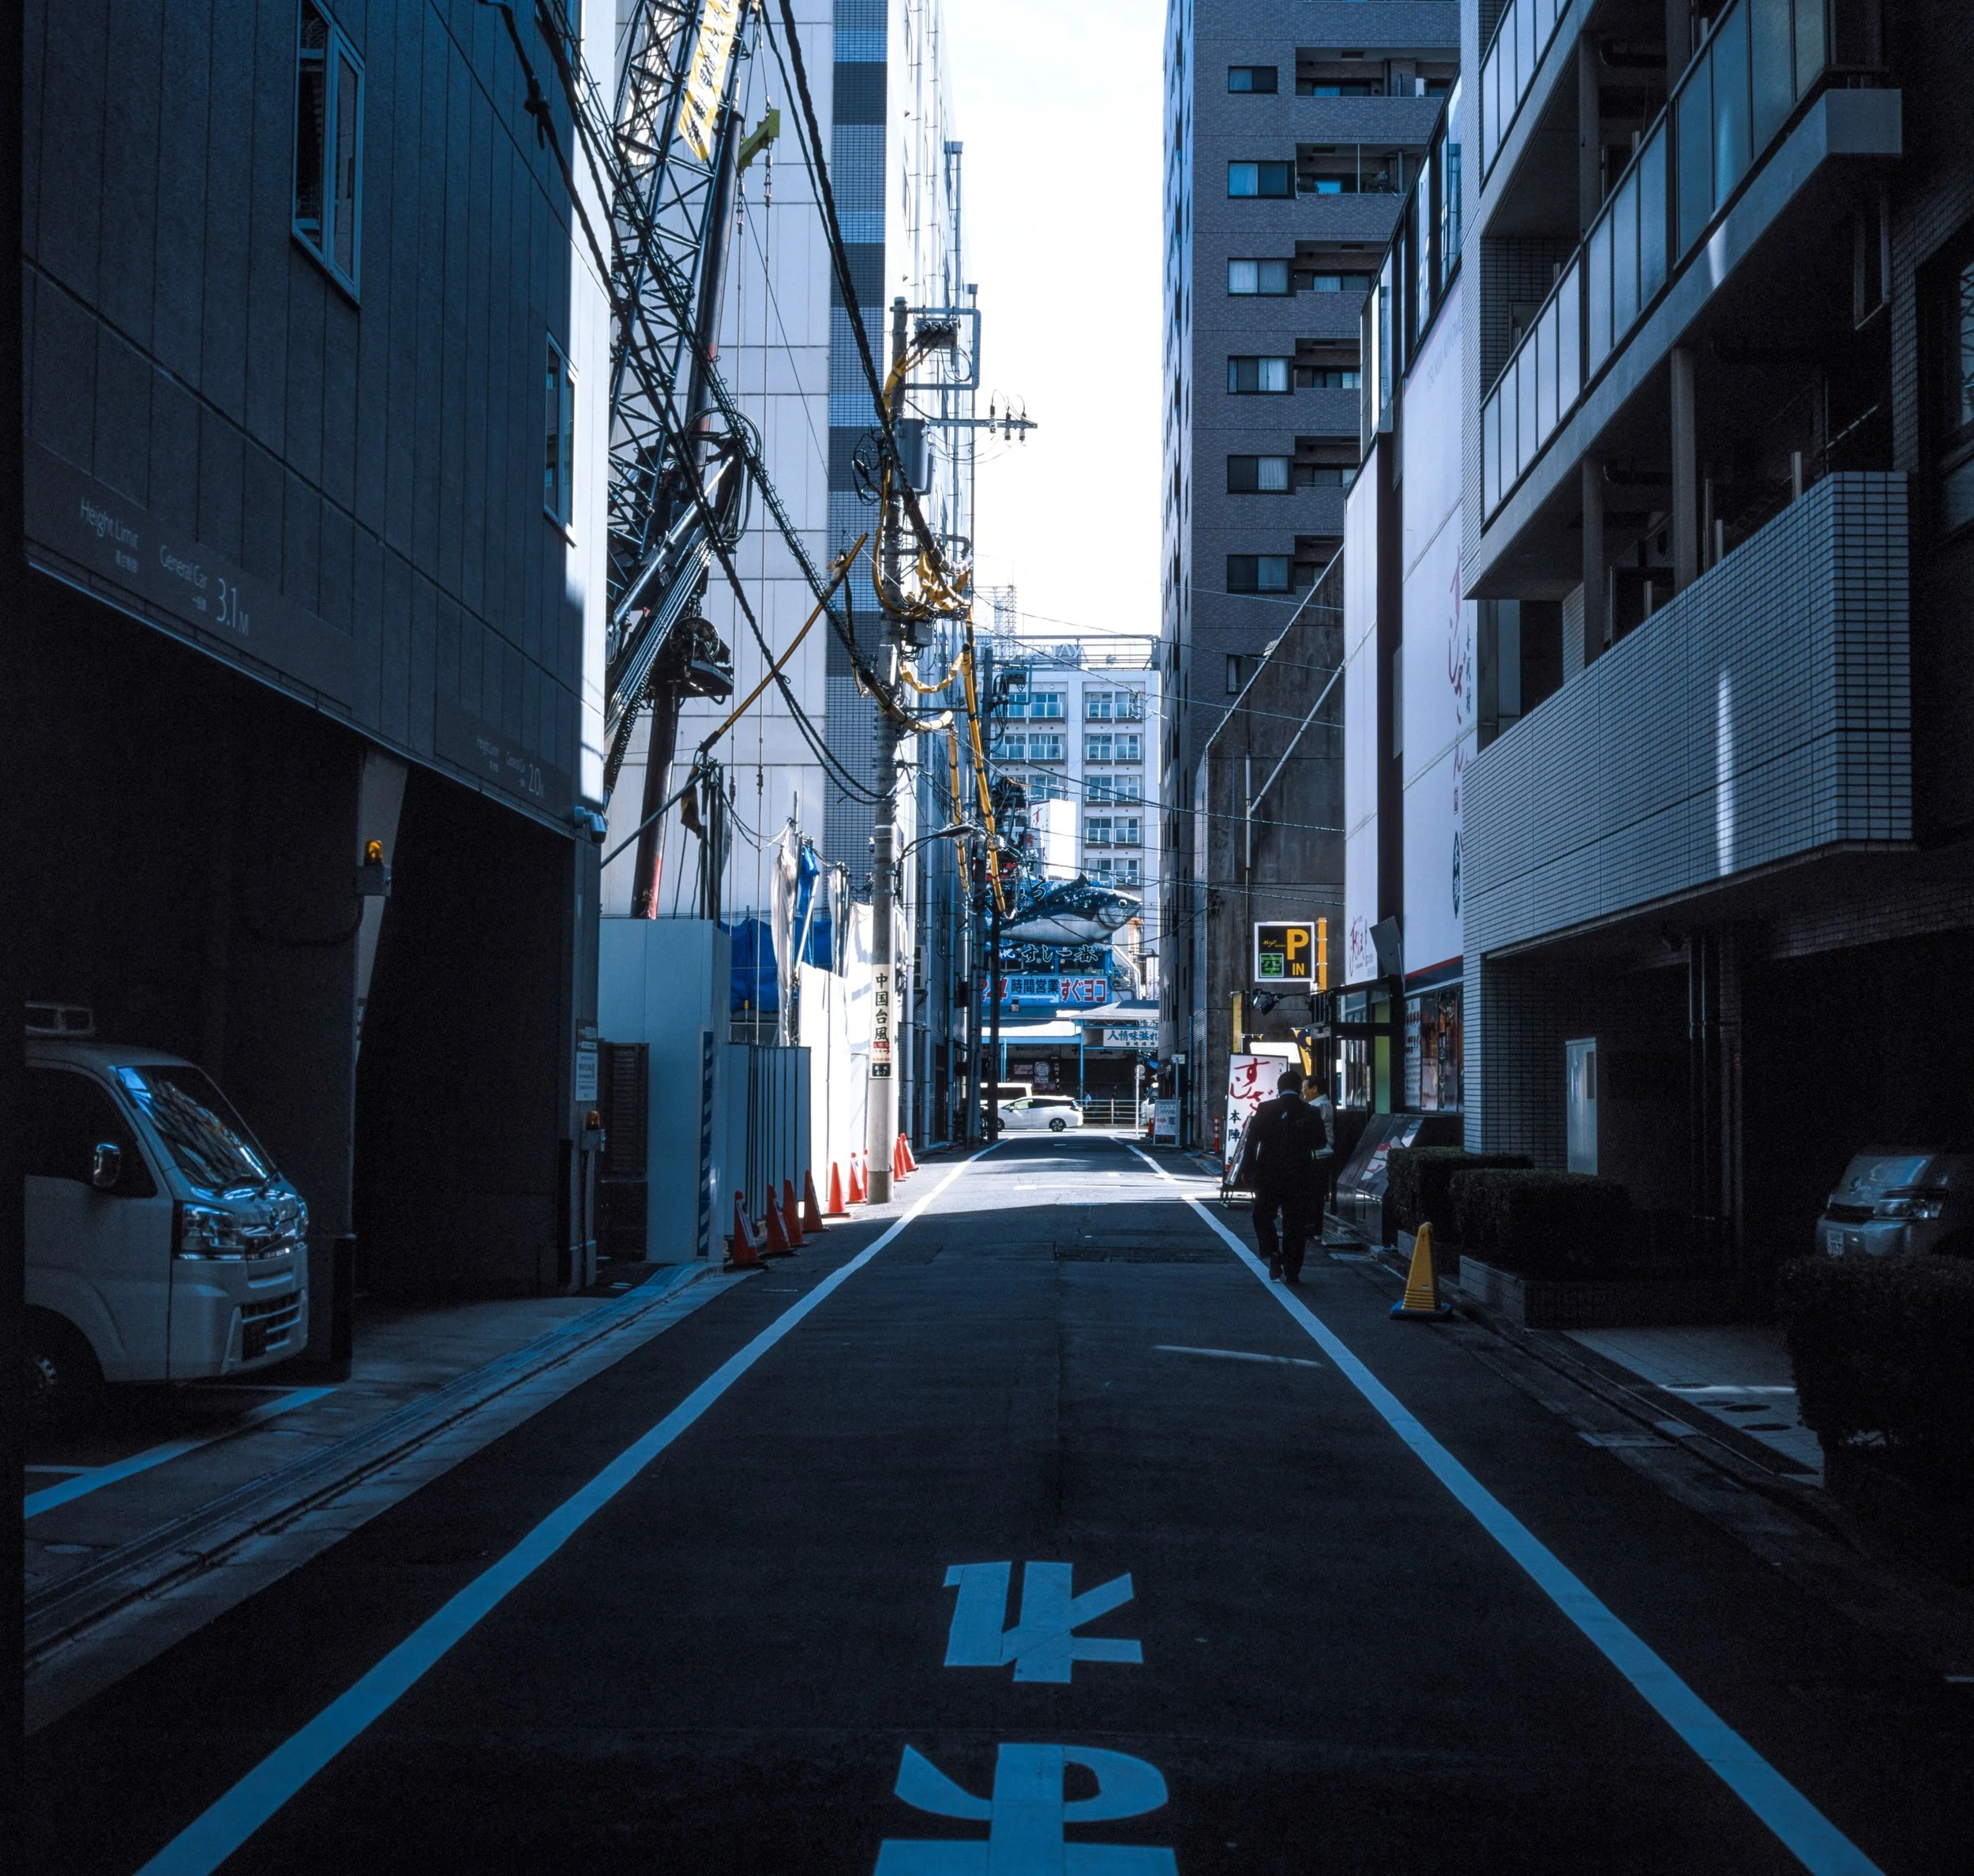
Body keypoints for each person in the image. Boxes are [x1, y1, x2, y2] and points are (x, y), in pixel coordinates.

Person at [1233, 1064, 1333, 1284]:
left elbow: (1252, 1143)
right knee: (1295, 1223)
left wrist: (1247, 1170)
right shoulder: (1311, 1111)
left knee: (1262, 1215)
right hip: (1300, 1175)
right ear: (1299, 1088)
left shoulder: (1265, 1108)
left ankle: (1273, 1252)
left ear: (1279, 1088)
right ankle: (1292, 1271)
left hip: (1268, 1174)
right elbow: (1320, 1142)